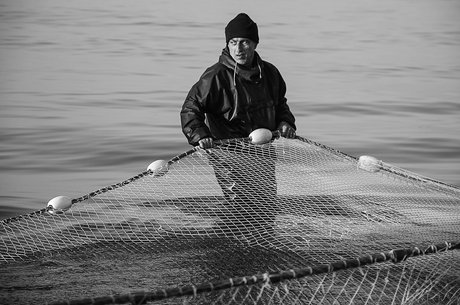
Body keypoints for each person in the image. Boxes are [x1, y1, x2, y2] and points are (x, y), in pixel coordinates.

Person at [180, 13, 296, 238]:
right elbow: (190, 109)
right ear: (227, 45)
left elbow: (281, 104)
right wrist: (200, 134)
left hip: (263, 153)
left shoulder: (270, 73)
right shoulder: (214, 76)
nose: (238, 48)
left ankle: (259, 248)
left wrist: (286, 122)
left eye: (244, 42)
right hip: (228, 154)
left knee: (267, 205)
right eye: (233, 43)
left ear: (254, 43)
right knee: (240, 205)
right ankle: (227, 249)